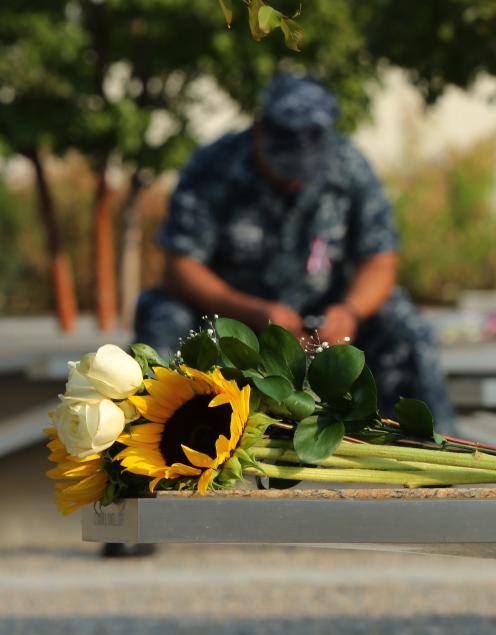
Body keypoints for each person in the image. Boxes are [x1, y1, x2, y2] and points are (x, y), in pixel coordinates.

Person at [135, 72, 456, 430]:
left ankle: (430, 444)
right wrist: (252, 311)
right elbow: (180, 266)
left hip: (324, 328)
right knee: (161, 314)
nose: (294, 179)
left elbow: (379, 262)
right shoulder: (213, 167)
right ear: (260, 130)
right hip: (230, 321)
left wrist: (349, 312)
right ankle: (155, 440)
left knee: (404, 324)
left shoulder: (349, 166)